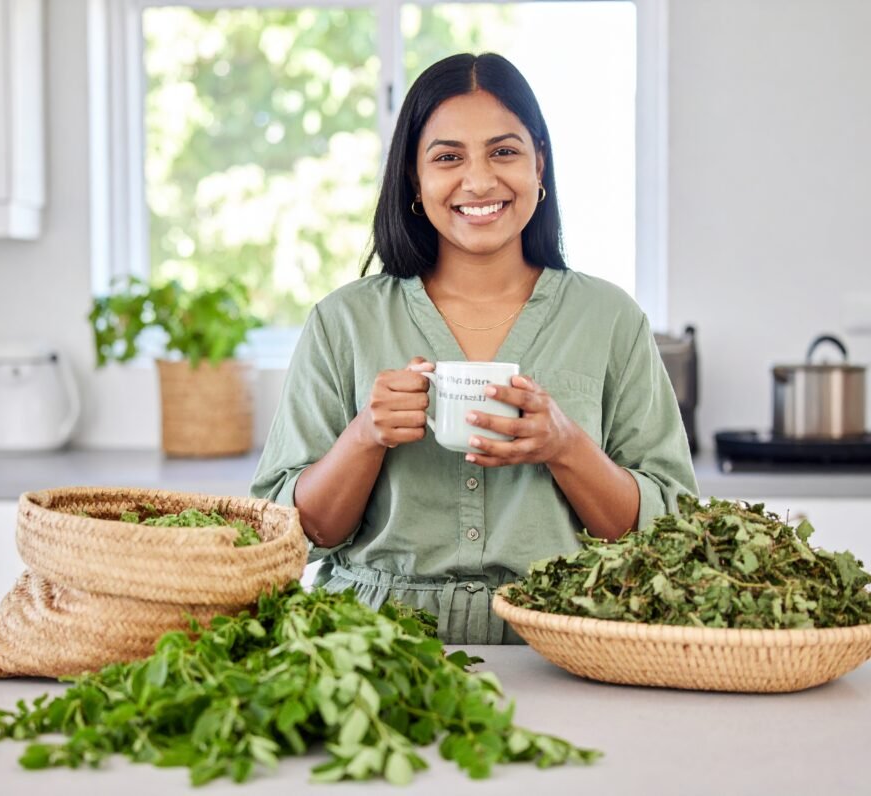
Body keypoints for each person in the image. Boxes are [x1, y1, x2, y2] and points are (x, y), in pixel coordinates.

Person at [251, 52, 698, 643]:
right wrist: (366, 436)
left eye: (504, 151)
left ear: (540, 163)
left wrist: (565, 447)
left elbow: (670, 535)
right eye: (448, 157)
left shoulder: (611, 320)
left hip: (566, 643)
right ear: (415, 177)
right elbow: (292, 533)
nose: (480, 180)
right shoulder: (343, 322)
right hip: (372, 646)